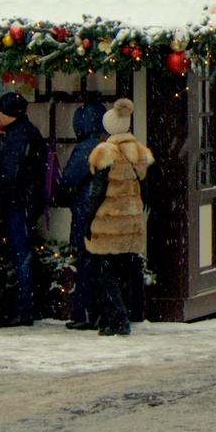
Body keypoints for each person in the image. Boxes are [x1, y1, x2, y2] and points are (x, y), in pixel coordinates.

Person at [80, 99, 153, 336]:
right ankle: (120, 316)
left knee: (103, 271)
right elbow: (144, 190)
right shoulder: (139, 152)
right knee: (123, 270)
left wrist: (87, 220)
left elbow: (97, 192)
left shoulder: (105, 152)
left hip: (108, 222)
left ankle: (117, 319)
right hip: (130, 222)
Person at [0, 91, 48, 327]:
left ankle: (23, 309)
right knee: (24, 254)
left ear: (9, 113)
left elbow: (10, 174)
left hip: (18, 204)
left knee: (21, 256)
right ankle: (27, 306)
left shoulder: (17, 136)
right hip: (26, 203)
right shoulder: (28, 132)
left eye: (0, 112)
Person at [53, 102, 108, 329]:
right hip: (102, 213)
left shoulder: (86, 148)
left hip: (86, 212)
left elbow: (68, 180)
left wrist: (60, 196)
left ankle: (86, 313)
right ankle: (96, 311)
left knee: (86, 265)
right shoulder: (105, 145)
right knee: (98, 265)